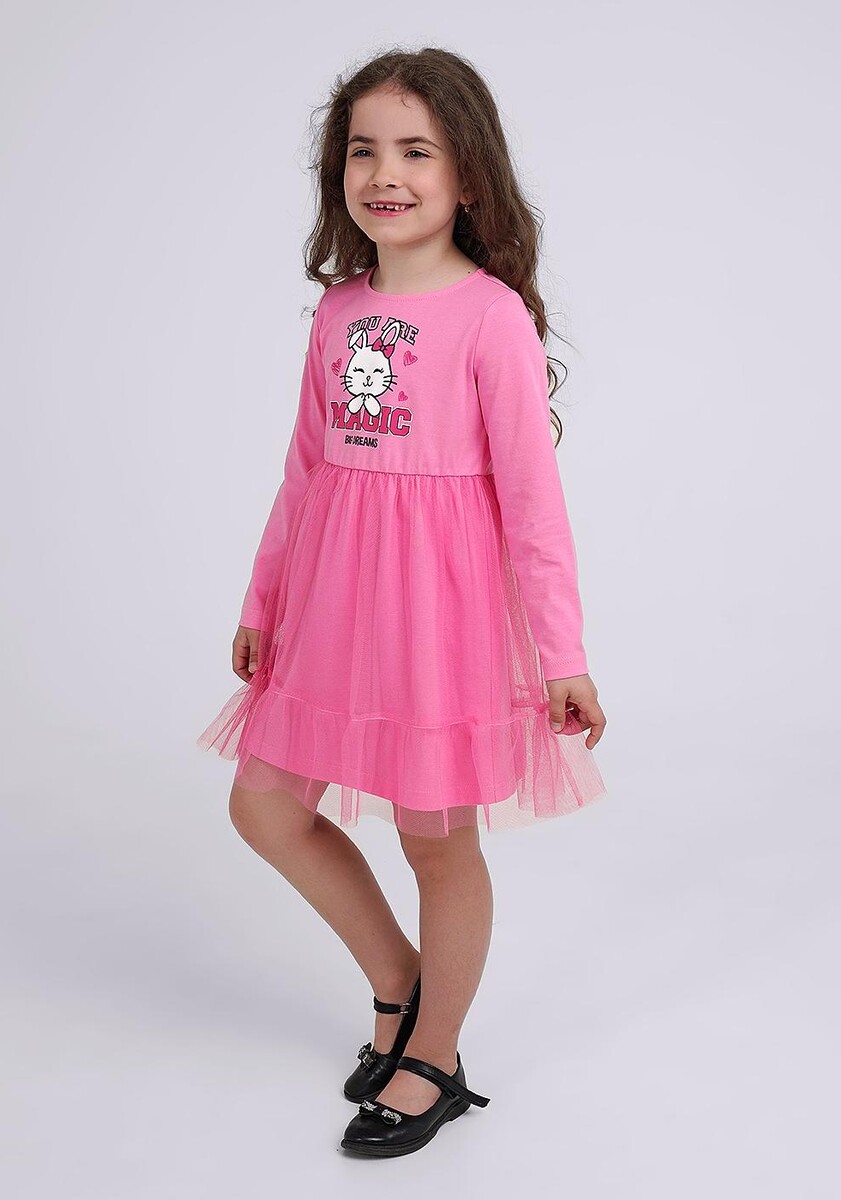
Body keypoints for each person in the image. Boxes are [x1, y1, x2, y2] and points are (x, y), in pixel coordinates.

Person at [197, 45, 608, 1157]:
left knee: (436, 840)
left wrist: (562, 653)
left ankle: (435, 1053)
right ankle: (399, 983)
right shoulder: (338, 312)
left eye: (416, 152)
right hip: (331, 607)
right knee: (265, 808)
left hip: (440, 619)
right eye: (363, 151)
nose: (385, 173)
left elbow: (532, 505)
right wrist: (264, 599)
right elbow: (304, 472)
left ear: (468, 176)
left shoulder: (489, 319)